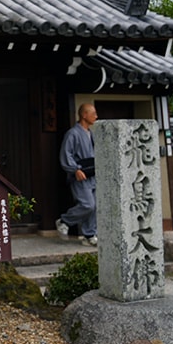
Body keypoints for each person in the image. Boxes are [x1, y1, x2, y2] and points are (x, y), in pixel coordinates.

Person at [57, 103, 98, 246]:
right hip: (80, 174)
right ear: (84, 115)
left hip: (92, 173)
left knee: (95, 206)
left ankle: (89, 234)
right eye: (93, 113)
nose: (96, 116)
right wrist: (74, 169)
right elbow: (66, 154)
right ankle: (65, 220)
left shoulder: (91, 133)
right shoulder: (73, 133)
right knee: (88, 204)